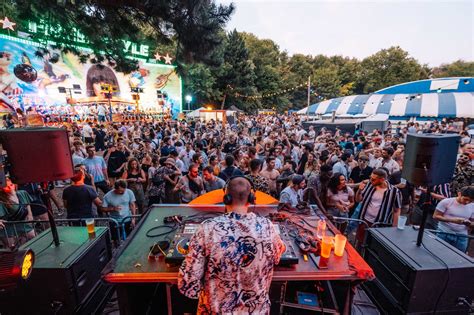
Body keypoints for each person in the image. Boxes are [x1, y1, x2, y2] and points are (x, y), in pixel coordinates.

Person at [178, 176, 285, 314]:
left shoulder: (207, 229)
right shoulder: (268, 227)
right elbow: (278, 255)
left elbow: (188, 285)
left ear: (226, 198)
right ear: (251, 198)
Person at [355, 168, 402, 245]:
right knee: (360, 243)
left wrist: (394, 228)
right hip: (364, 221)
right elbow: (358, 200)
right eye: (370, 178)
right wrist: (359, 191)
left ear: (382, 179)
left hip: (380, 225)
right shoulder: (369, 185)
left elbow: (397, 210)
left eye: (373, 179)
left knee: (372, 246)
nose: (370, 180)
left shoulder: (394, 192)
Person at [433, 186, 473, 253]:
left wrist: (468, 223)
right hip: (444, 232)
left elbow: (472, 222)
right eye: (465, 199)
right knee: (438, 252)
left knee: (459, 256)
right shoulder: (446, 202)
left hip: (461, 235)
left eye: (470, 201)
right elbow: (435, 216)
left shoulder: (472, 206)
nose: (467, 202)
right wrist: (452, 220)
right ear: (459, 194)